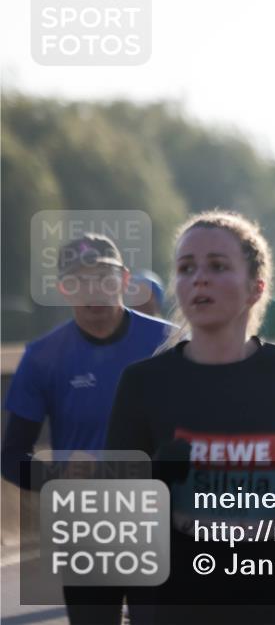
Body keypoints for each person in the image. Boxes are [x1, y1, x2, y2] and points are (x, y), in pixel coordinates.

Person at [105, 211, 275, 624]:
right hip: (178, 595)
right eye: (186, 268)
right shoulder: (143, 382)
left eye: (217, 266)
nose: (199, 278)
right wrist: (155, 479)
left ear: (256, 289)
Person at [1, 234, 172, 624]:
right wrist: (56, 473)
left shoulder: (166, 342)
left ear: (125, 280)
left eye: (104, 279)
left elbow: (204, 432)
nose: (93, 291)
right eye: (79, 281)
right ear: (63, 288)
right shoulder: (44, 356)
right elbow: (11, 458)